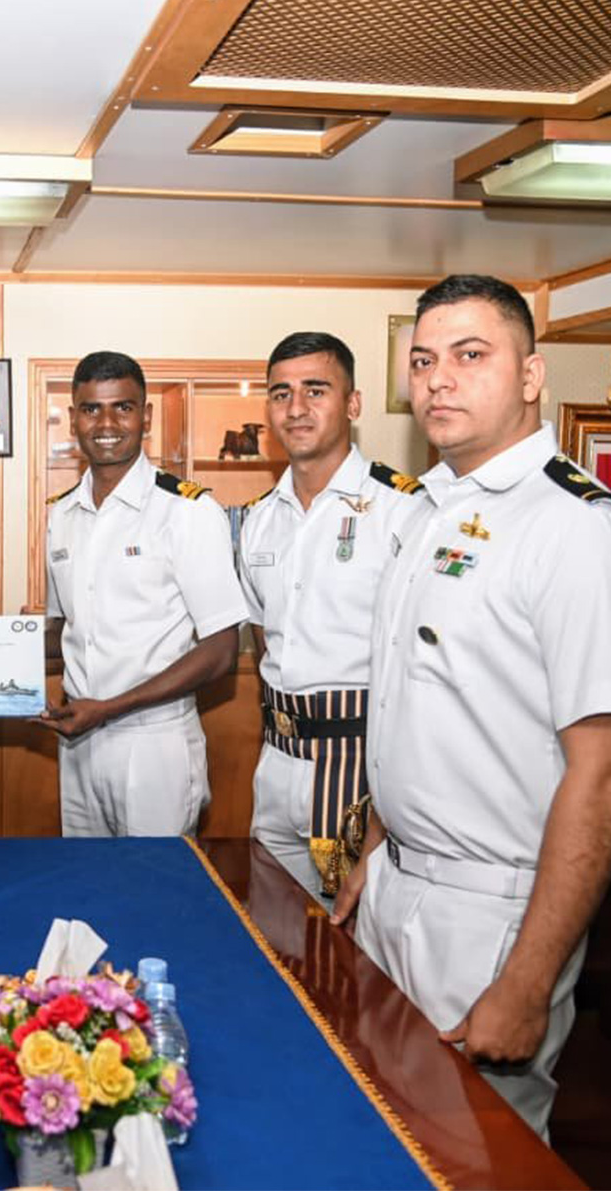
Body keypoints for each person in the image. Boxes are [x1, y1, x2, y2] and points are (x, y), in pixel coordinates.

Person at [331, 274, 611, 1136]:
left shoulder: (577, 530)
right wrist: (376, 852)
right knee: (384, 1136)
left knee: (475, 1153)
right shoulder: (428, 512)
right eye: (422, 360)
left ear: (531, 374)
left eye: (471, 355)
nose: (439, 379)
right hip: (400, 887)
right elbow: (411, 710)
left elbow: (605, 772)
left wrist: (527, 979)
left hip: (492, 915)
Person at [235, 332, 425, 899]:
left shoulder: (403, 510)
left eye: (315, 390)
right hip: (277, 757)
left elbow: (419, 661)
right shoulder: (259, 520)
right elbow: (265, 639)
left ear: (353, 403)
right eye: (281, 393)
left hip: (361, 764)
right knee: (273, 925)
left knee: (354, 934)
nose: (296, 408)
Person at [41, 351, 246, 836]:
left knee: (156, 881)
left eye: (123, 408)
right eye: (91, 409)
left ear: (146, 416)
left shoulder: (188, 512)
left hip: (154, 743)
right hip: (77, 738)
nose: (106, 424)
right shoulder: (61, 514)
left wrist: (109, 708)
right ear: (73, 418)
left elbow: (221, 650)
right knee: (86, 879)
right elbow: (63, 630)